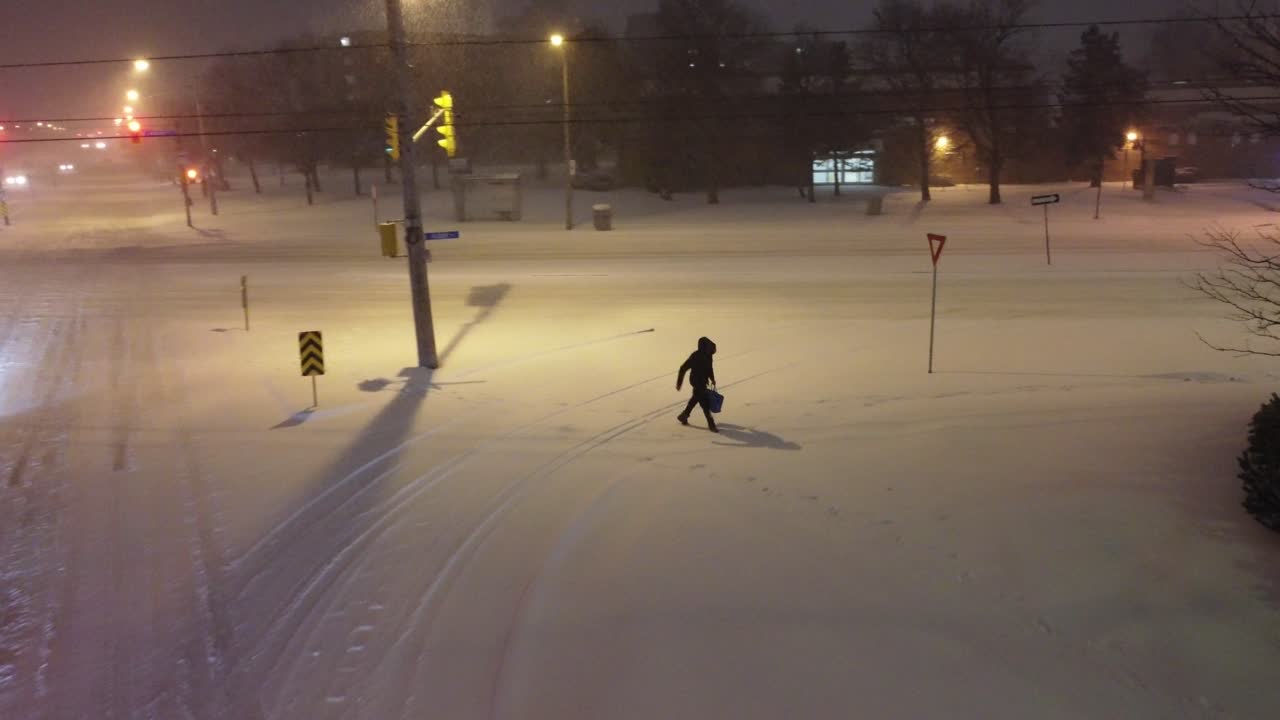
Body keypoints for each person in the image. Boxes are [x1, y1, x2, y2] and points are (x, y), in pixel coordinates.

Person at [676, 336, 718, 432]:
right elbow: (683, 368)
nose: (711, 351)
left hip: (703, 381)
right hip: (695, 381)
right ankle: (711, 424)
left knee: (696, 398)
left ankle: (684, 415)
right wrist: (679, 383)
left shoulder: (708, 355)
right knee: (704, 403)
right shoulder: (695, 356)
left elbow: (709, 368)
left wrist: (712, 379)